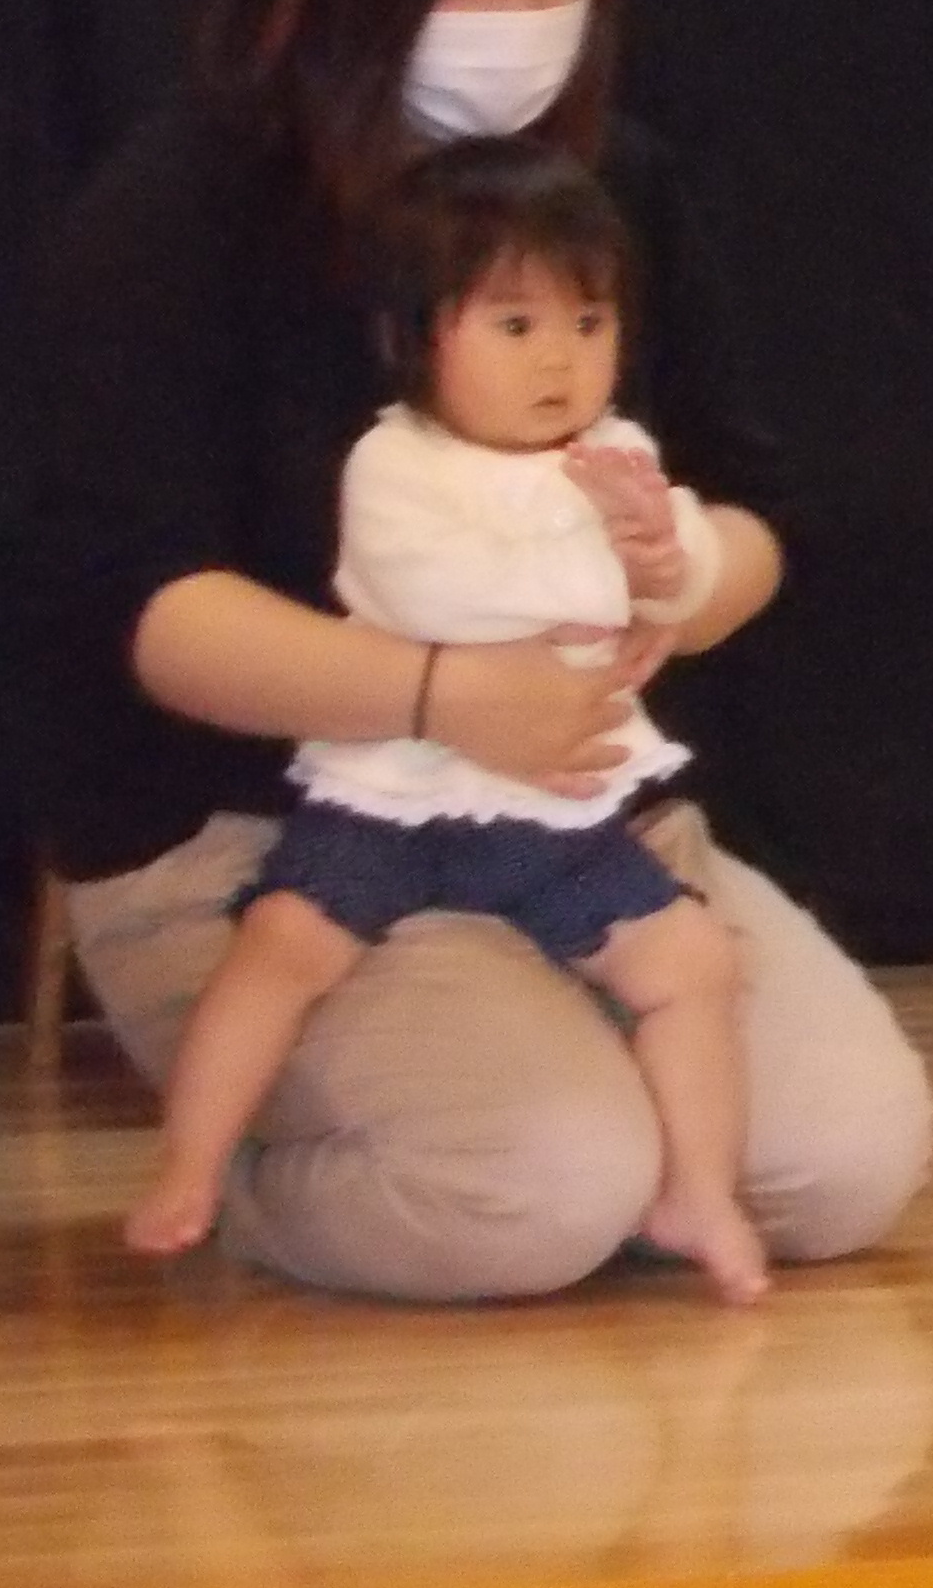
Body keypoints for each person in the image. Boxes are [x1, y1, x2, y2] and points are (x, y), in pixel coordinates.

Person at [16, 0, 932, 1299]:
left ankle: (575, 1125)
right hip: (260, 833)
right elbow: (138, 609)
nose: (522, 21)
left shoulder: (613, 190)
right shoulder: (183, 213)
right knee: (537, 1182)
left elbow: (752, 503)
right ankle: (255, 1183)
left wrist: (679, 586)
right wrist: (441, 693)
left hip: (578, 814)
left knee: (845, 1162)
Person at [125, 143, 768, 1297]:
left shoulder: (617, 456)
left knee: (694, 964)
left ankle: (698, 1190)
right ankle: (193, 1166)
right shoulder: (394, 463)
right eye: (515, 327)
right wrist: (606, 579)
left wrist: (666, 564)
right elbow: (438, 598)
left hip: (555, 818)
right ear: (416, 338)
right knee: (281, 946)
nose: (560, 359)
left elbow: (686, 576)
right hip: (392, 803)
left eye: (589, 323)